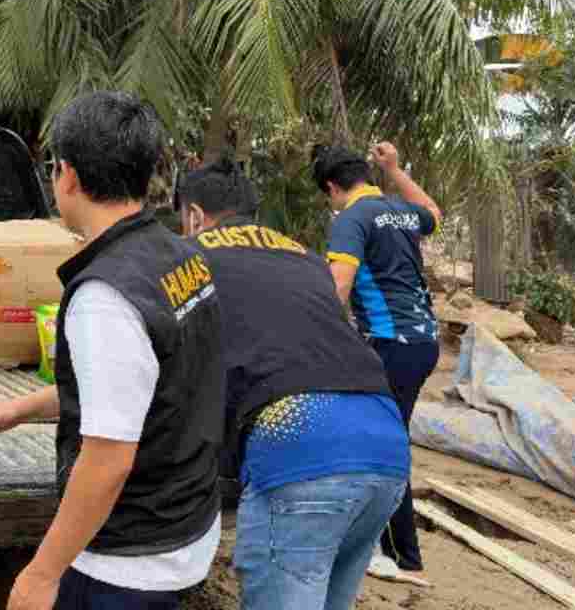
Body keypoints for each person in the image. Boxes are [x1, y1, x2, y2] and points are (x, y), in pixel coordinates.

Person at [0, 91, 224, 610]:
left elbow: (107, 461)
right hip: (185, 523)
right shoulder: (178, 255)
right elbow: (141, 387)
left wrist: (41, 574)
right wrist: (21, 409)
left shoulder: (105, 296)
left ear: (67, 175)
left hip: (127, 560)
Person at [175, 158, 411, 609]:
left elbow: (160, 365)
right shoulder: (305, 258)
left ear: (194, 216)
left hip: (303, 451)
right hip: (385, 442)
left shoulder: (190, 258)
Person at [313, 142, 442, 583]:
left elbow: (339, 286)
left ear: (331, 187)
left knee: (382, 445)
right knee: (385, 438)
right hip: (424, 343)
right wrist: (396, 170)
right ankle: (394, 547)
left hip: (390, 344)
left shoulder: (351, 219)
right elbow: (432, 212)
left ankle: (401, 554)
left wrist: (316, 346)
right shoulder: (399, 211)